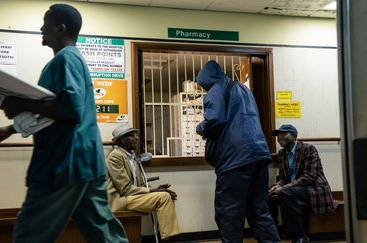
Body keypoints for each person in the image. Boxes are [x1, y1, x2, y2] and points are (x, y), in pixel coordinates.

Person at [0, 4, 128, 243]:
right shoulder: (73, 60)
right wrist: (9, 129)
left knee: (29, 233)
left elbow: (71, 109)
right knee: (103, 233)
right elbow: (53, 111)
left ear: (60, 27)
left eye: (45, 23)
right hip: (86, 160)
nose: (41, 28)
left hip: (65, 162)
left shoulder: (65, 60)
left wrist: (21, 105)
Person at [195, 60, 280, 243]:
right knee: (259, 209)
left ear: (206, 80)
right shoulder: (243, 89)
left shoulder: (215, 90)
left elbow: (215, 119)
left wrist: (200, 128)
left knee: (229, 212)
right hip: (259, 153)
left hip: (235, 158)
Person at [106, 124, 180, 241]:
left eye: (136, 135)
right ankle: (168, 239)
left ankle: (167, 236)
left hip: (131, 196)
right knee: (163, 197)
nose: (136, 138)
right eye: (131, 136)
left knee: (168, 196)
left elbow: (138, 185)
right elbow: (125, 189)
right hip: (120, 199)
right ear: (122, 140)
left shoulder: (132, 157)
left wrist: (155, 188)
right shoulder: (115, 157)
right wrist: (153, 191)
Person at [269, 124, 337, 243]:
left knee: (285, 192)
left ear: (295, 136)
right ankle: (273, 231)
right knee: (268, 194)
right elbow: (283, 177)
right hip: (293, 189)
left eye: (284, 134)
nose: (279, 138)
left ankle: (300, 235)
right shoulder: (282, 153)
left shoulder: (308, 149)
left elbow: (310, 177)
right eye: (278, 136)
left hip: (313, 189)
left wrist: (284, 188)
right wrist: (278, 185)